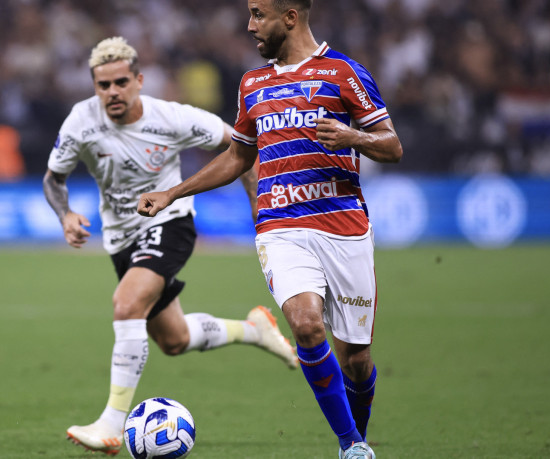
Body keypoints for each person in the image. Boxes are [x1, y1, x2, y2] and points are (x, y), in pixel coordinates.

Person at [138, 1, 403, 458]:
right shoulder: (253, 84)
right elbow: (238, 157)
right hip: (280, 226)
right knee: (306, 325)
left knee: (356, 360)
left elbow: (392, 146)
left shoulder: (344, 73)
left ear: (290, 18)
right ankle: (352, 445)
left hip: (343, 225)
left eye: (259, 14)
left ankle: (356, 437)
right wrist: (173, 193)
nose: (250, 25)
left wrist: (353, 137)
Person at [43, 36, 299, 456]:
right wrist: (65, 214)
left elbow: (242, 145)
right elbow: (53, 179)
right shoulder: (80, 121)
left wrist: (258, 202)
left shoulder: (172, 118)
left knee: (127, 303)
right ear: (94, 87)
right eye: (103, 85)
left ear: (139, 80)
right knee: (174, 339)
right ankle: (254, 330)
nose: (113, 92)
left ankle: (111, 424)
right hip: (121, 238)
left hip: (169, 221)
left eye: (121, 82)